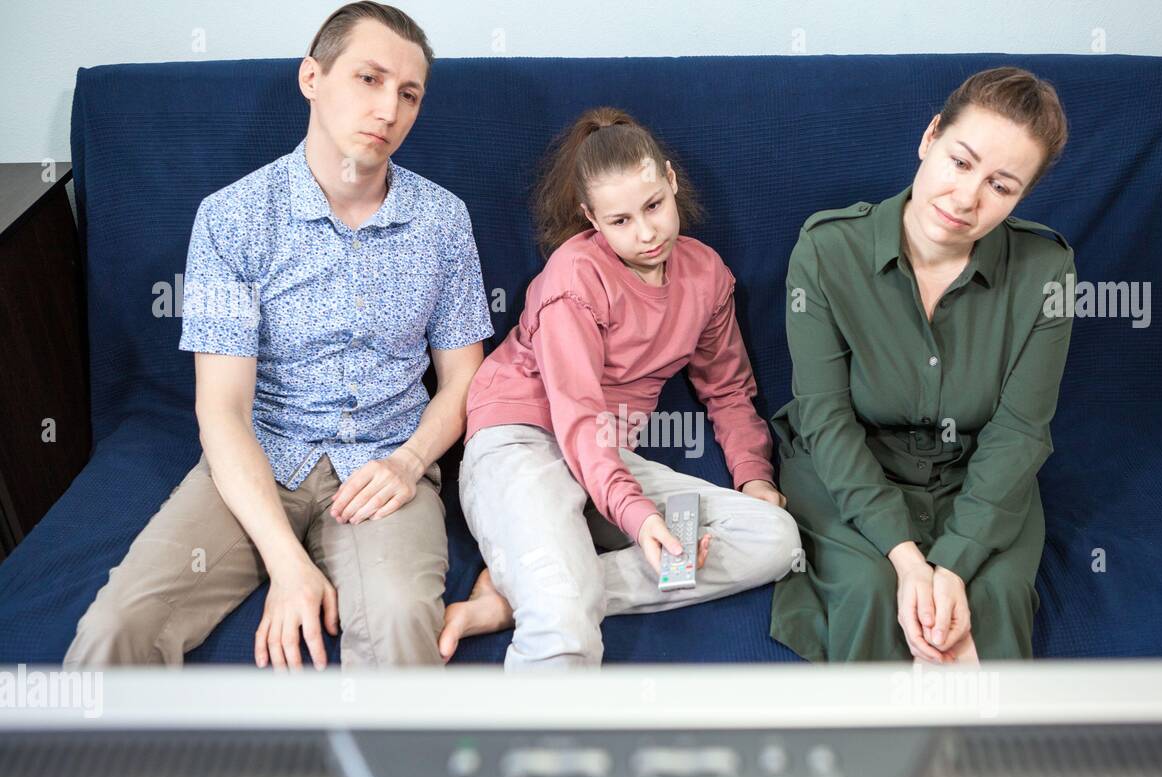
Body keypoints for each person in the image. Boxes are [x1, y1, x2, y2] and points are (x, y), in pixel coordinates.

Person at [64, 2, 493, 670]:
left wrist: (409, 464)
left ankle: (392, 774)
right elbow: (221, 407)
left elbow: (466, 378)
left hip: (384, 463)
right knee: (119, 627)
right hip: (260, 459)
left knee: (402, 622)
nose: (389, 110)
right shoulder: (230, 218)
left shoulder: (442, 221)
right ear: (311, 78)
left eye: (409, 94)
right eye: (369, 79)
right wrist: (287, 566)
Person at [439, 107, 801, 669]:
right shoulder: (574, 278)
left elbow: (727, 390)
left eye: (654, 205)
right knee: (563, 631)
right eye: (620, 221)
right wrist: (638, 518)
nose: (647, 232)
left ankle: (525, 596)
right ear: (591, 219)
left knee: (776, 538)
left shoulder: (706, 276)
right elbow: (578, 420)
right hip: (523, 440)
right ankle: (552, 610)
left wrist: (754, 478)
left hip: (606, 457)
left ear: (671, 179)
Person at [769, 67, 1076, 664]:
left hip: (976, 473)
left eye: (1001, 186)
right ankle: (876, 754)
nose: (967, 199)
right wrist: (909, 560)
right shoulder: (826, 250)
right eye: (960, 162)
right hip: (850, 466)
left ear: (1022, 197)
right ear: (930, 137)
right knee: (871, 593)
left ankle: (981, 755)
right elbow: (826, 418)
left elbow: (1018, 433)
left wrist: (955, 564)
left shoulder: (1048, 270)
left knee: (993, 602)